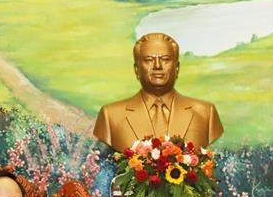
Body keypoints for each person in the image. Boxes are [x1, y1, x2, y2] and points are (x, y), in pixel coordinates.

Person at [93, 32, 223, 152]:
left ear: (177, 68)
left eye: (165, 59)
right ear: (136, 69)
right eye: (149, 60)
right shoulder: (111, 116)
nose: (157, 66)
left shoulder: (205, 113)